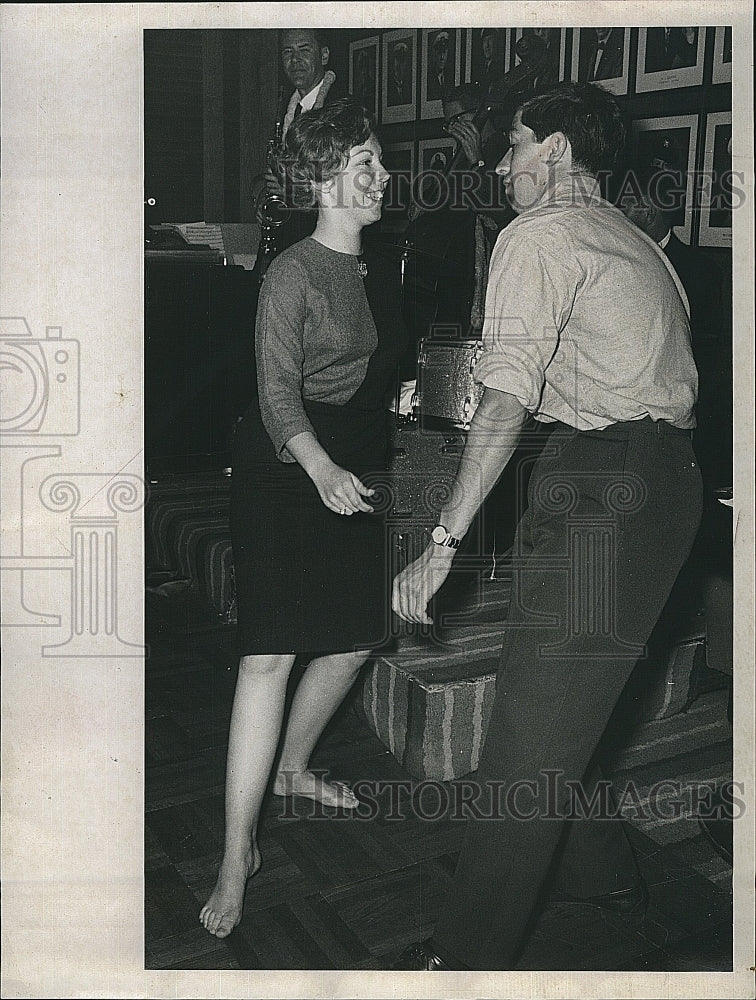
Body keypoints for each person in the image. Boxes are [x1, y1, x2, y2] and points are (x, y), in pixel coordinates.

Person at [391, 81, 702, 971]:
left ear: (558, 148)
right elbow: (561, 366)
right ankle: (603, 877)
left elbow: (510, 398)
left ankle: (462, 962)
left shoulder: (541, 234)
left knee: (528, 737)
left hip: (603, 492)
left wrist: (441, 542)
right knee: (570, 704)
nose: (501, 164)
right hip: (659, 486)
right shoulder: (631, 240)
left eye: (515, 143)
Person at [200, 99, 405, 940]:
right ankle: (232, 853)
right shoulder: (291, 270)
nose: (382, 175)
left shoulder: (382, 263)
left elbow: (367, 368)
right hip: (288, 465)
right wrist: (320, 469)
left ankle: (291, 767)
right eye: (365, 163)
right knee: (269, 655)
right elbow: (278, 391)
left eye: (379, 162)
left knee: (358, 634)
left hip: (355, 457)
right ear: (323, 178)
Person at [256, 28, 343, 249]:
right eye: (287, 52)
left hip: (322, 244)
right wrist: (261, 196)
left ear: (323, 55)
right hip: (286, 238)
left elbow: (343, 187)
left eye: (304, 50)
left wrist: (289, 189)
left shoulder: (341, 109)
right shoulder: (286, 108)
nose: (295, 60)